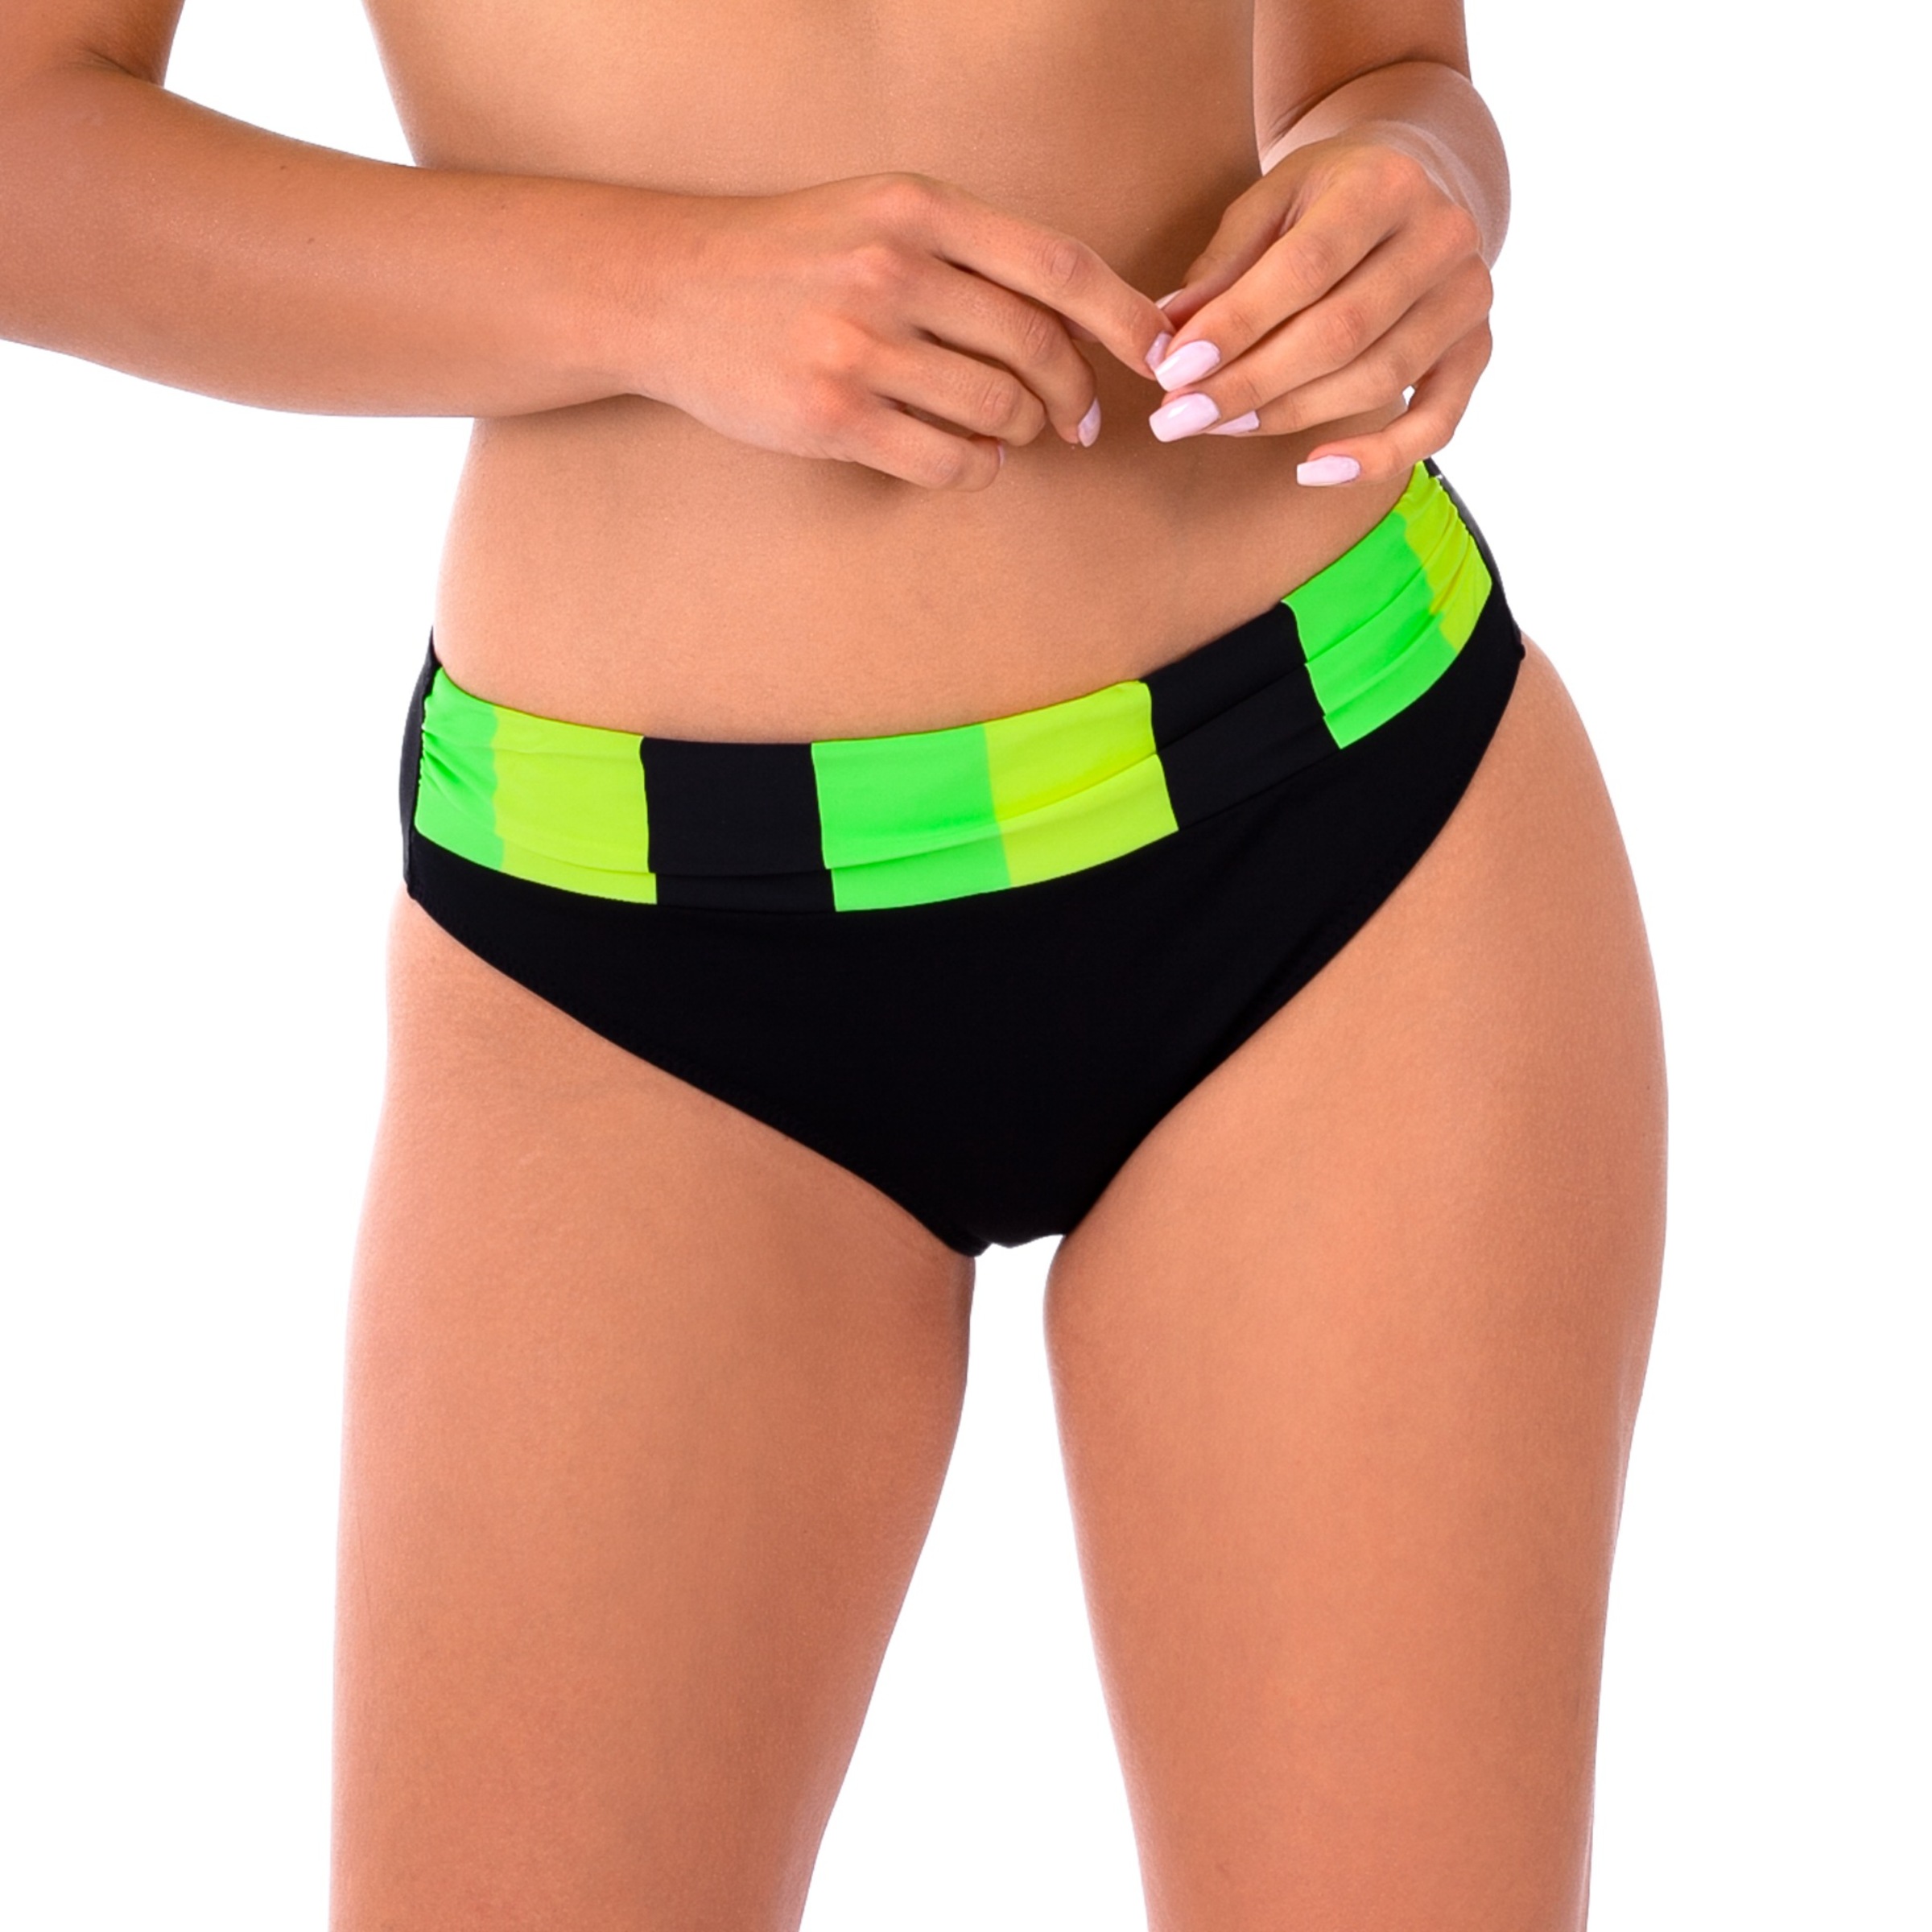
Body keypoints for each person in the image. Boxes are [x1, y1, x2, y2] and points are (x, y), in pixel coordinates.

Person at [0, 0, 1666, 1924]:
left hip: (1339, 812)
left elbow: (1385, 66)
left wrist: (1416, 182)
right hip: (632, 950)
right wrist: (662, 292)